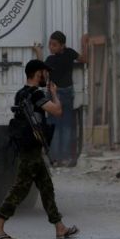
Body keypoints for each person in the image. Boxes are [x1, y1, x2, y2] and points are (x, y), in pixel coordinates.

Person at [0, 60, 79, 239]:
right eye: (45, 73)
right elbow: (57, 111)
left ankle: (59, 227)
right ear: (38, 73)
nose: (46, 76)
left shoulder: (20, 94)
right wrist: (54, 94)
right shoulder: (37, 95)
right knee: (20, 189)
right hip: (30, 150)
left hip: (29, 148)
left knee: (46, 188)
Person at [34, 31, 88, 166]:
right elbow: (84, 59)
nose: (51, 47)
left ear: (62, 46)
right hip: (68, 93)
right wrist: (84, 44)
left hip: (53, 95)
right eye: (50, 45)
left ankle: (55, 159)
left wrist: (38, 52)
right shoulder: (70, 53)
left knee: (54, 126)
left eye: (54, 45)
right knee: (67, 125)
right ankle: (66, 158)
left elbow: (43, 75)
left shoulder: (50, 60)